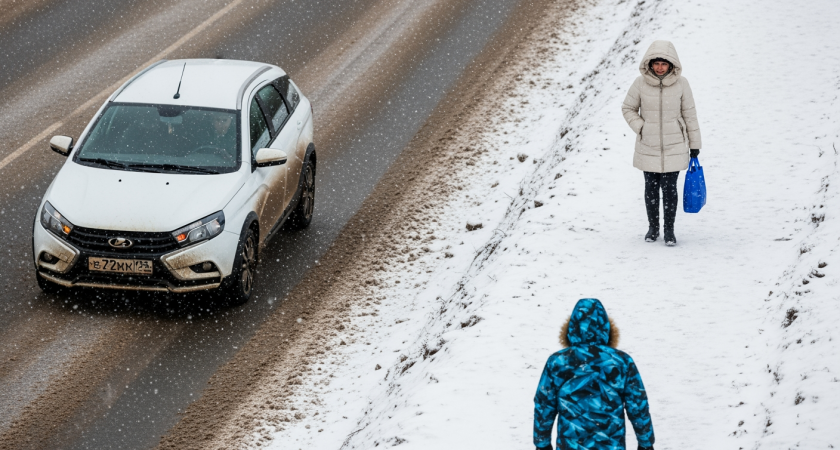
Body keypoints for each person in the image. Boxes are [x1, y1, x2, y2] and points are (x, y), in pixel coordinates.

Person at [533, 298, 654, 450]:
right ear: (606, 327)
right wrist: (646, 442)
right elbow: (637, 404)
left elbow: (544, 404)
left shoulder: (558, 362)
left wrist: (541, 443)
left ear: (572, 327)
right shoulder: (621, 361)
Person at [621, 40, 702, 246]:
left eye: (663, 64)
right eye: (656, 63)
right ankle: (653, 228)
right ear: (649, 63)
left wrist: (695, 144)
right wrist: (641, 127)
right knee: (651, 188)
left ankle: (669, 231)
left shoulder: (682, 84)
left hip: (674, 145)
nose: (659, 67)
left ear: (671, 65)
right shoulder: (640, 83)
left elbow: (690, 115)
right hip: (648, 146)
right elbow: (627, 108)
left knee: (669, 189)